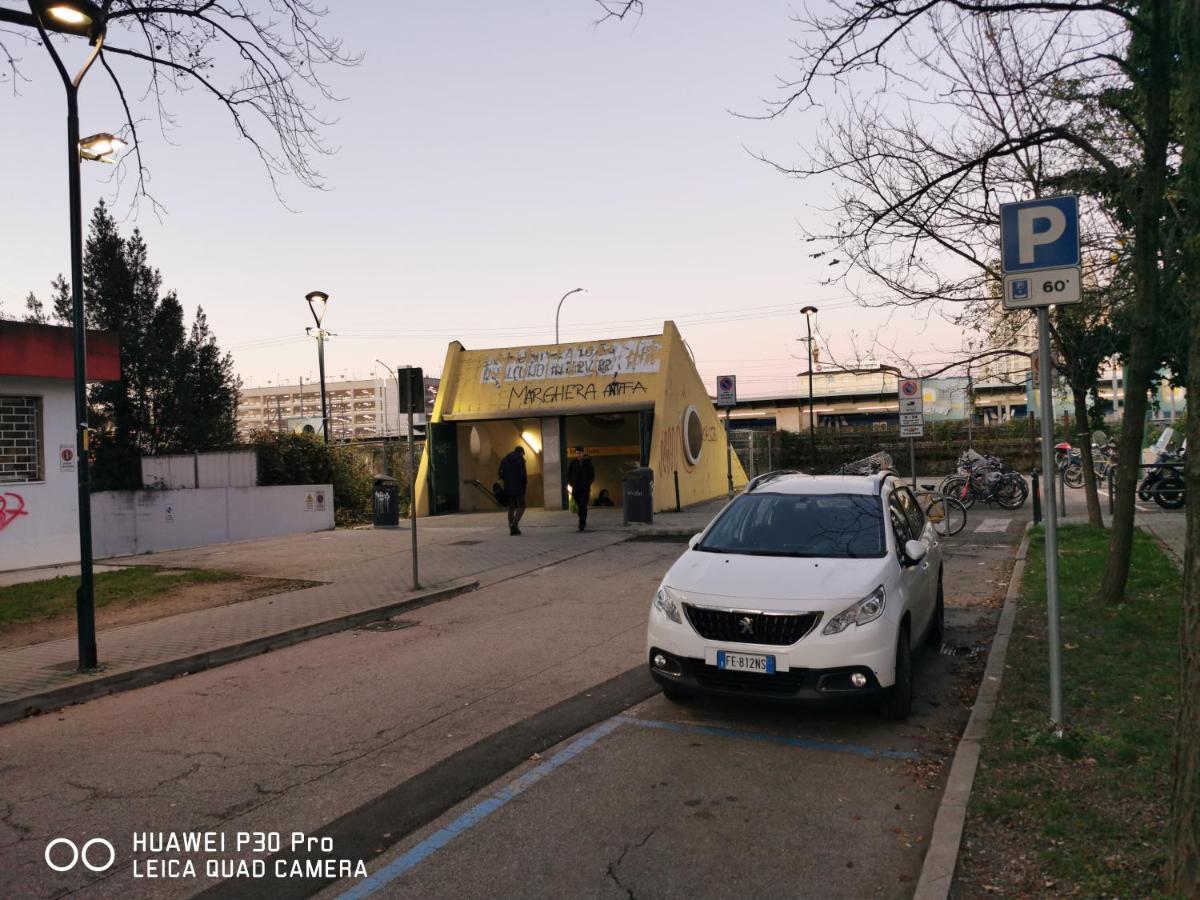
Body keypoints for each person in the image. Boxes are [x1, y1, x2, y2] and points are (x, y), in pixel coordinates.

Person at [498, 446, 527, 535]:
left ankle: (512, 528)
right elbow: (523, 475)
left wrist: (506, 481)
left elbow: (500, 473)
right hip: (518, 487)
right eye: (523, 453)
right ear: (521, 452)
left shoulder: (504, 460)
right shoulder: (520, 460)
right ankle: (514, 525)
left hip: (508, 487)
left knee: (511, 507)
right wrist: (524, 486)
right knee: (522, 506)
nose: (523, 455)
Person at [566, 446, 595, 532]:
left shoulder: (588, 463)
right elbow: (568, 474)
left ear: (583, 453)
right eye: (577, 453)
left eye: (579, 453)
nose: (578, 455)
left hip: (585, 489)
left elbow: (592, 475)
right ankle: (582, 520)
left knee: (583, 505)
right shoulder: (573, 463)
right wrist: (571, 483)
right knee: (579, 507)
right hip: (576, 489)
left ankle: (582, 522)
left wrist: (587, 483)